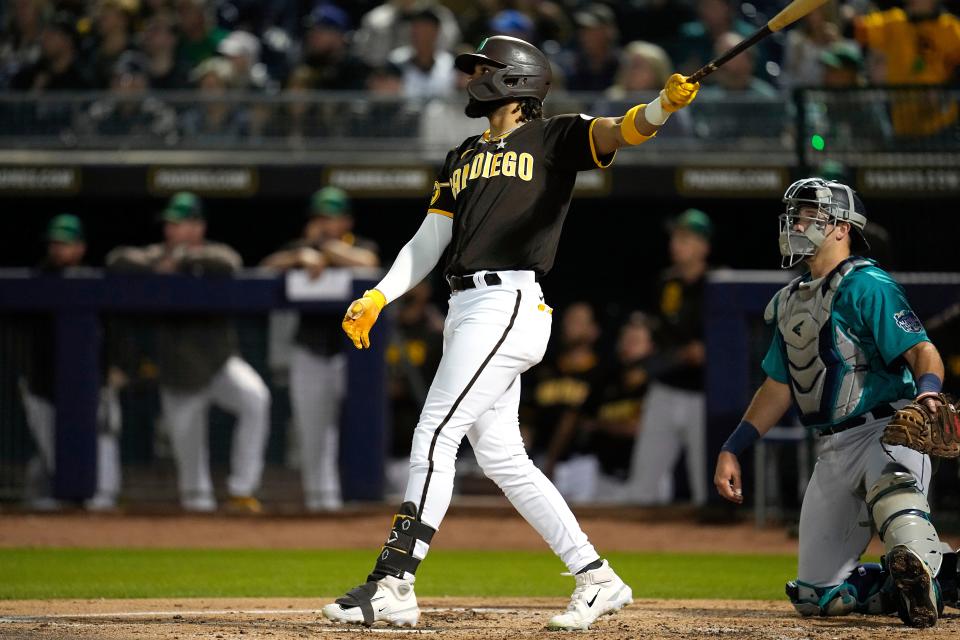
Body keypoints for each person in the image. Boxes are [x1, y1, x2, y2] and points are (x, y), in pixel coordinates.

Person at [325, 34, 699, 630]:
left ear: (516, 78)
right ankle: (597, 576)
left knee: (436, 430)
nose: (471, 76)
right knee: (501, 457)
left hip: (508, 301)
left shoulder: (552, 136)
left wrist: (660, 108)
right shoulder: (462, 154)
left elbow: (619, 131)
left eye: (481, 68)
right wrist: (378, 293)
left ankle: (394, 581)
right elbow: (430, 239)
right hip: (467, 307)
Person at [713, 177, 960, 628]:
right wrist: (733, 446)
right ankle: (925, 581)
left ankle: (920, 565)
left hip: (887, 428)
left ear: (842, 228)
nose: (796, 223)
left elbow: (922, 349)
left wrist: (926, 389)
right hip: (832, 448)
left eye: (809, 215)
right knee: (816, 598)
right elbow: (777, 387)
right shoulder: (788, 300)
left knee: (897, 508)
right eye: (795, 215)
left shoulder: (869, 285)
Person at [106, 192, 271, 513]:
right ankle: (199, 521)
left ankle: (242, 490)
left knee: (256, 397)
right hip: (178, 371)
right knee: (191, 469)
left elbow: (230, 261)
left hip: (220, 361)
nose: (172, 230)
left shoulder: (211, 253)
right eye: (169, 224)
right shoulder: (155, 254)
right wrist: (159, 263)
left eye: (180, 223)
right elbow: (117, 259)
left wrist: (183, 260)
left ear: (198, 227)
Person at [261, 187, 379, 511]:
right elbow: (265, 269)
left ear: (346, 221)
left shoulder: (360, 245)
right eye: (319, 218)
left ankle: (358, 498)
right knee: (312, 435)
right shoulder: (301, 249)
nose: (324, 224)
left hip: (354, 356)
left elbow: (369, 263)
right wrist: (301, 255)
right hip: (310, 351)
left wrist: (327, 248)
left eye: (331, 218)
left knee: (355, 430)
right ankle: (319, 505)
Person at [20, 214, 123, 512]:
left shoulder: (96, 282)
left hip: (93, 382)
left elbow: (114, 331)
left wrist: (115, 366)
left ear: (80, 247)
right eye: (54, 244)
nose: (57, 250)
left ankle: (103, 499)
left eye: (64, 244)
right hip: (44, 384)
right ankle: (63, 504)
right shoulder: (35, 283)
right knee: (54, 451)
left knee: (103, 439)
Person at [625, 209, 711, 506]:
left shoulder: (717, 284)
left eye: (686, 238)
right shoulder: (666, 284)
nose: (677, 244)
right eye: (675, 237)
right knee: (642, 484)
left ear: (703, 245)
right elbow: (661, 330)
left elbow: (708, 350)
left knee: (706, 486)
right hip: (665, 387)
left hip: (703, 395)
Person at [522, 302, 601, 499]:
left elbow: (579, 418)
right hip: (539, 459)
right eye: (568, 320)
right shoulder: (545, 368)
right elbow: (528, 414)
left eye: (578, 322)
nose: (569, 326)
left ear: (593, 331)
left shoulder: (602, 374)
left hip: (583, 464)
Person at [579, 313, 658, 503]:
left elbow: (639, 429)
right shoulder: (605, 379)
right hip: (605, 475)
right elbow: (583, 422)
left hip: (651, 475)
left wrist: (601, 425)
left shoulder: (657, 384)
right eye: (626, 339)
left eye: (636, 341)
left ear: (651, 347)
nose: (629, 345)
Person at [854, 0, 960, 137]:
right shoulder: (893, 23)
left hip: (942, 127)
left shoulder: (952, 28)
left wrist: (942, 94)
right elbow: (855, 29)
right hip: (903, 126)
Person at [387, 6, 456, 100]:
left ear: (436, 31)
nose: (418, 33)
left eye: (425, 28)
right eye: (415, 27)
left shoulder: (450, 64)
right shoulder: (395, 62)